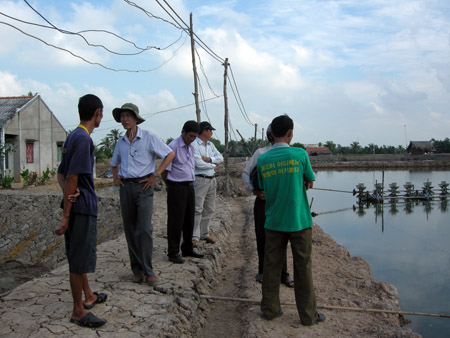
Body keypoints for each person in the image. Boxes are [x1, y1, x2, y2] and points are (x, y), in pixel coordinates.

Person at [257, 114, 325, 325]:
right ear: (290, 133)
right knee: (302, 268)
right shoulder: (299, 154)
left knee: (271, 267)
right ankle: (308, 316)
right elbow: (310, 181)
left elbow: (262, 188)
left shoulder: (262, 159)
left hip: (273, 221)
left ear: (271, 133)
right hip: (299, 221)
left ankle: (270, 310)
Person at [55, 94, 107, 328]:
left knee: (80, 254)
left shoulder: (72, 136)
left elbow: (62, 174)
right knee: (78, 259)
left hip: (77, 204)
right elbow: (73, 176)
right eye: (101, 113)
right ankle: (78, 311)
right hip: (81, 209)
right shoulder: (84, 140)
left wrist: (68, 192)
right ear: (97, 113)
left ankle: (89, 296)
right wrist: (67, 213)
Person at [111, 103, 175, 286]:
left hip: (144, 187)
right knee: (130, 229)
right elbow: (114, 163)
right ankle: (137, 270)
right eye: (122, 116)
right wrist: (116, 178)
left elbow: (169, 154)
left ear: (136, 119)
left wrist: (156, 175)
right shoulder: (120, 142)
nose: (125, 119)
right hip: (126, 188)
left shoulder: (148, 137)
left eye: (128, 116)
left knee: (144, 229)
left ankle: (149, 270)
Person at [241, 124, 294, 288]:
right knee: (263, 237)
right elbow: (246, 173)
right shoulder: (260, 153)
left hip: (282, 204)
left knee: (282, 238)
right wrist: (255, 191)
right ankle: (263, 271)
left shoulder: (290, 154)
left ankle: (283, 274)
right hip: (264, 203)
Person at [162, 121, 205, 264]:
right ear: (183, 132)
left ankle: (187, 248)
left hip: (189, 185)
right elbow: (165, 170)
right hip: (176, 186)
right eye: (190, 136)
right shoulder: (172, 147)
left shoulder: (191, 148)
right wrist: (168, 185)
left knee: (189, 218)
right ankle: (173, 252)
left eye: (194, 137)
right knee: (176, 220)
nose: (192, 139)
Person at [191, 121, 223, 247]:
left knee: (209, 209)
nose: (212, 132)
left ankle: (204, 233)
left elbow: (221, 157)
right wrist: (213, 165)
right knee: (197, 209)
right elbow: (198, 163)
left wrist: (209, 159)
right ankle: (194, 236)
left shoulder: (210, 144)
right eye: (210, 130)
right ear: (204, 131)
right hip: (199, 179)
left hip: (211, 179)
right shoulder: (194, 144)